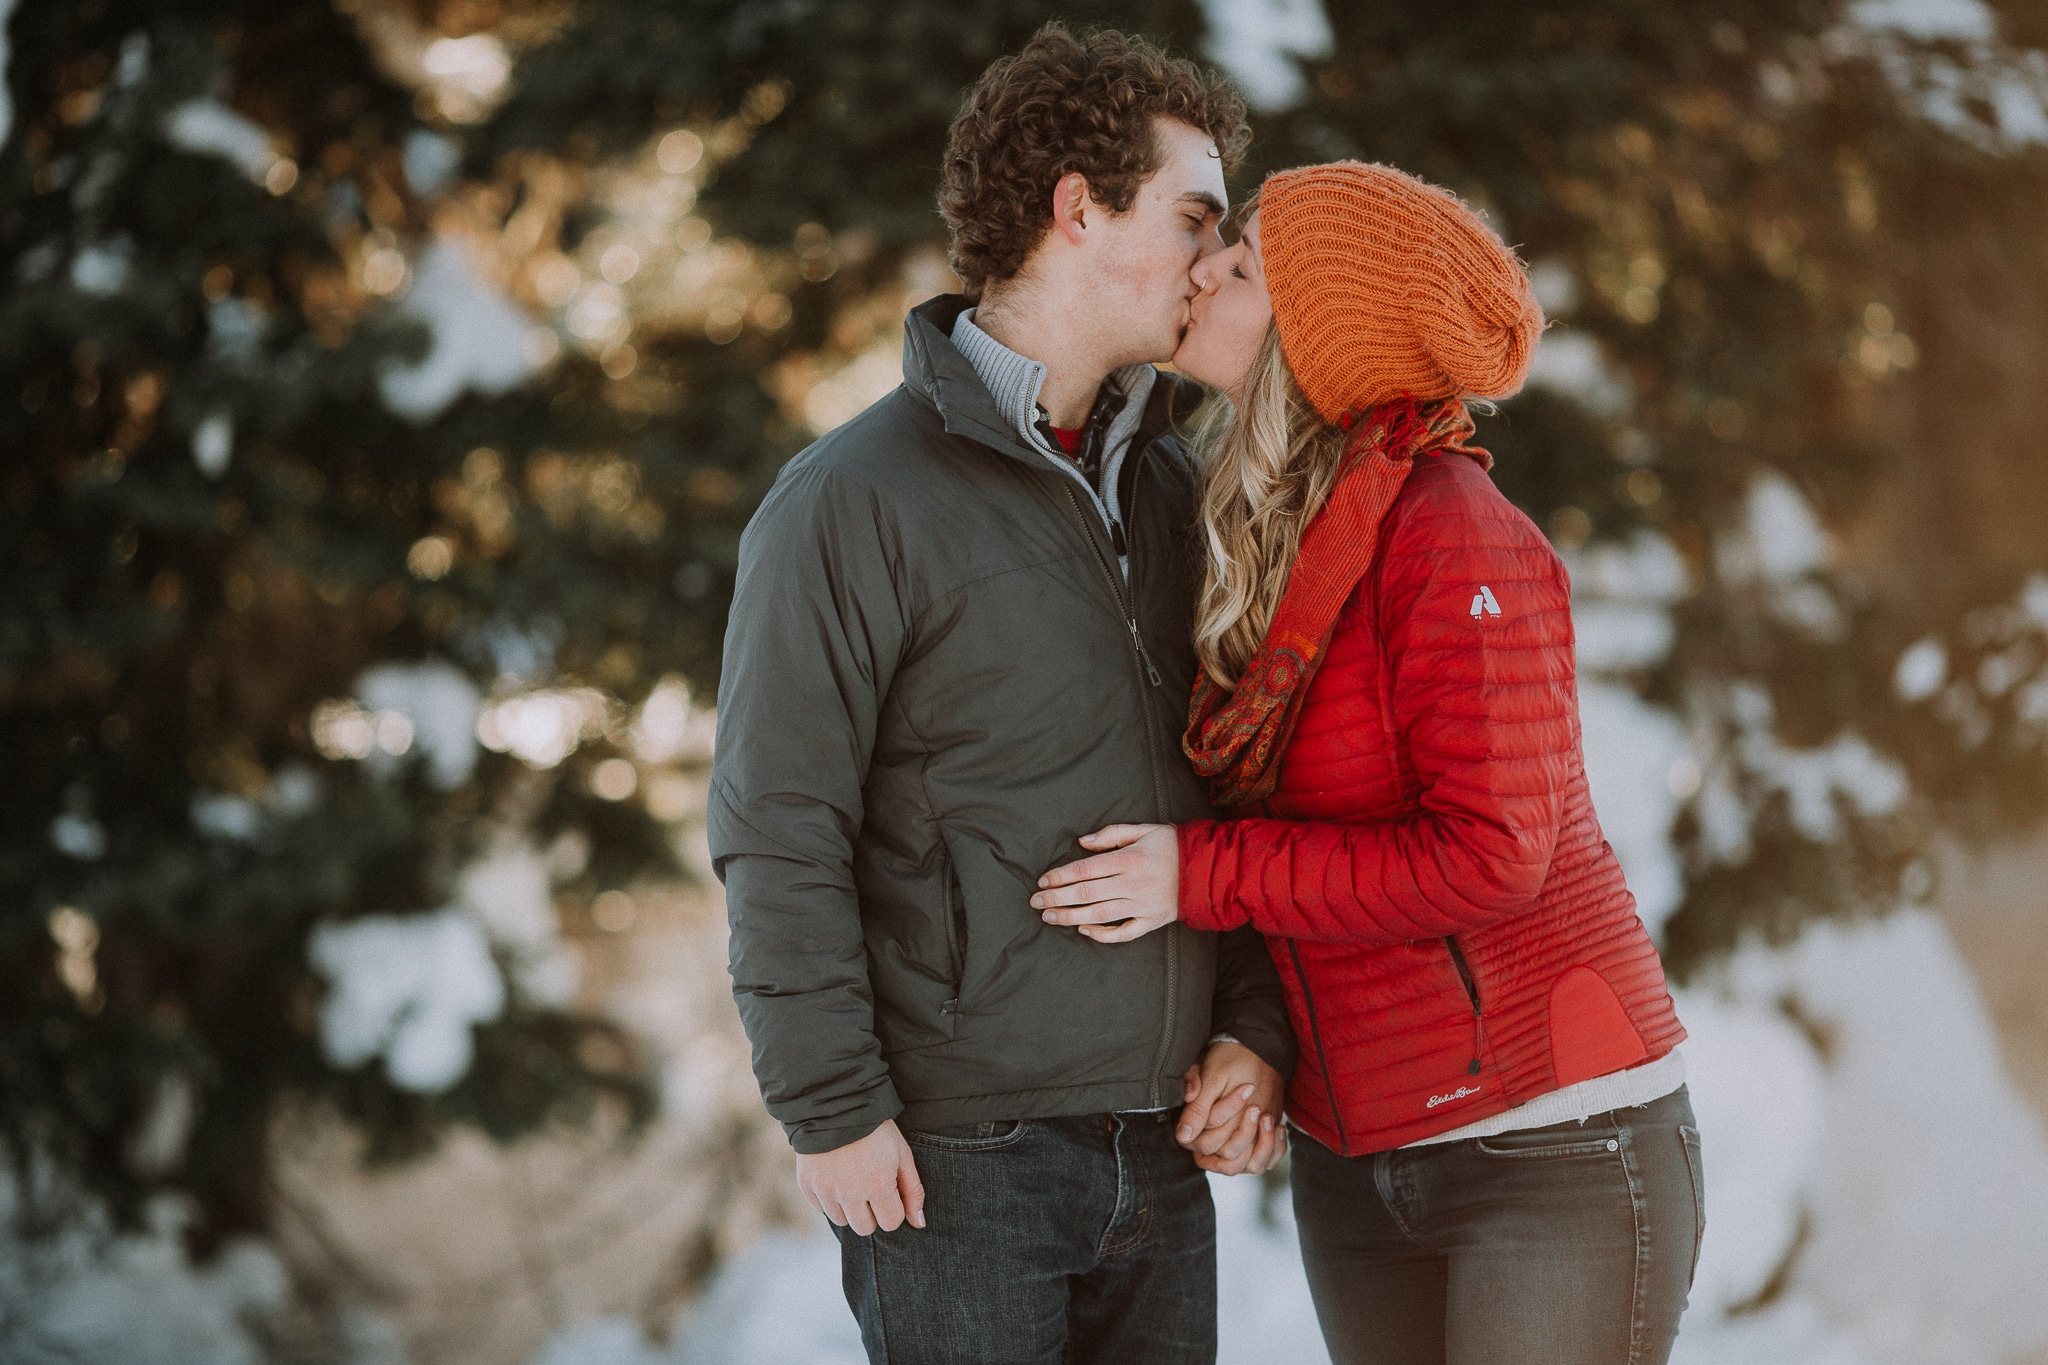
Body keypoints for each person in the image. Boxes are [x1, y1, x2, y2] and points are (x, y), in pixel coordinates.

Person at [1034, 161, 1703, 1365]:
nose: (1200, 272)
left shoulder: (1449, 530)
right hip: (1362, 1155)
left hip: (1547, 1147)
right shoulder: (1268, 535)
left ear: (1311, 338)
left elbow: (1488, 856)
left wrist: (1196, 875)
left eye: (1235, 269)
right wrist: (1260, 1038)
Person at [708, 25, 1297, 1365]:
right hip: (958, 1163)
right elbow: (776, 823)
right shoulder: (849, 501)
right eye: (1194, 216)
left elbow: (1240, 779)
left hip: (1160, 1150)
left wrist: (1254, 1032)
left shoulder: (1169, 490)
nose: (1217, 263)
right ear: (1077, 208)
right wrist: (831, 1109)